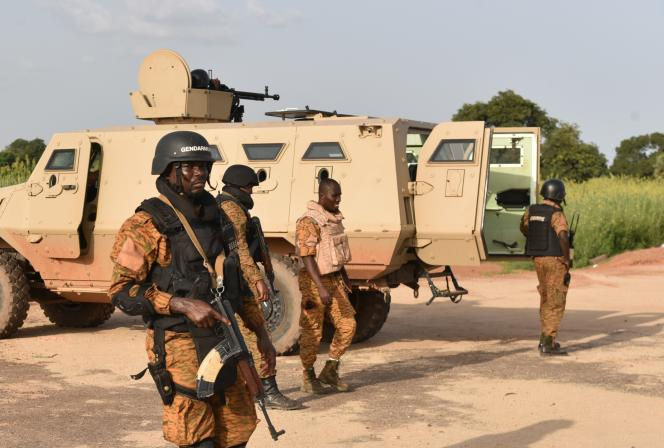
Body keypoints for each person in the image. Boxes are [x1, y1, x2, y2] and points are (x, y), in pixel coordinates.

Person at [109, 131, 274, 447]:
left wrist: (261, 334)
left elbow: (235, 280)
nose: (200, 173)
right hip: (179, 341)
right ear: (170, 169)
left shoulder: (220, 217)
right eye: (190, 166)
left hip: (224, 336)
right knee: (199, 438)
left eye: (204, 166)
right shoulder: (146, 223)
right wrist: (181, 304)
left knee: (237, 430)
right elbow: (121, 291)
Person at [217, 164, 302, 410]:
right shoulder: (231, 210)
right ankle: (267, 391)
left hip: (236, 281)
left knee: (251, 337)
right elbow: (240, 250)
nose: (252, 192)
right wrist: (256, 279)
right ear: (239, 187)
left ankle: (256, 389)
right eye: (250, 187)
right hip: (237, 283)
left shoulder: (231, 207)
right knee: (256, 338)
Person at [295, 178, 356, 393]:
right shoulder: (309, 221)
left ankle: (330, 369)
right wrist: (320, 287)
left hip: (334, 279)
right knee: (312, 330)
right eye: (334, 196)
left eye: (340, 195)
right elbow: (307, 257)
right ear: (322, 196)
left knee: (348, 324)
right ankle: (308, 375)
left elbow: (335, 253)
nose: (338, 200)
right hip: (313, 282)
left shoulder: (333, 219)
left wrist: (344, 276)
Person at [520, 179, 571, 356]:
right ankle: (548, 344)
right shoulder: (557, 214)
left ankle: (544, 341)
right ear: (560, 195)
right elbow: (563, 236)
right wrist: (567, 259)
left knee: (545, 297)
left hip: (538, 259)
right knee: (556, 300)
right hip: (555, 260)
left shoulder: (532, 210)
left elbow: (525, 228)